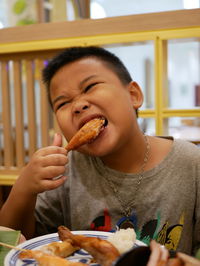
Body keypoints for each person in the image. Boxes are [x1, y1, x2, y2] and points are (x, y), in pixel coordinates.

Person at [0, 46, 200, 256]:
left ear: (133, 95)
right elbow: (13, 248)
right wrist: (24, 189)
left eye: (90, 86)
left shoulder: (191, 163)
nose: (78, 105)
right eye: (63, 103)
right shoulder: (65, 172)